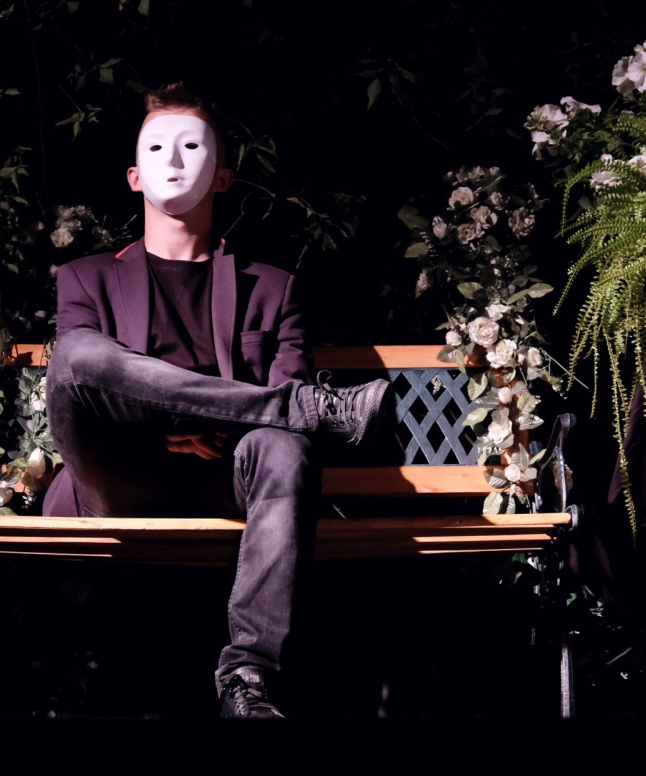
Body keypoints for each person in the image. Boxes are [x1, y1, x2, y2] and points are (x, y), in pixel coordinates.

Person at [43, 82, 394, 718]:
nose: (174, 160)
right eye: (156, 147)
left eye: (191, 146)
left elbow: (287, 390)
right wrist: (167, 428)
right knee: (75, 356)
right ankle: (318, 410)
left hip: (226, 476)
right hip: (117, 475)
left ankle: (248, 680)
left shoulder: (273, 288)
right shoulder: (84, 278)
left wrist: (223, 423)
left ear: (225, 176)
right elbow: (86, 392)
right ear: (133, 176)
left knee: (285, 449)